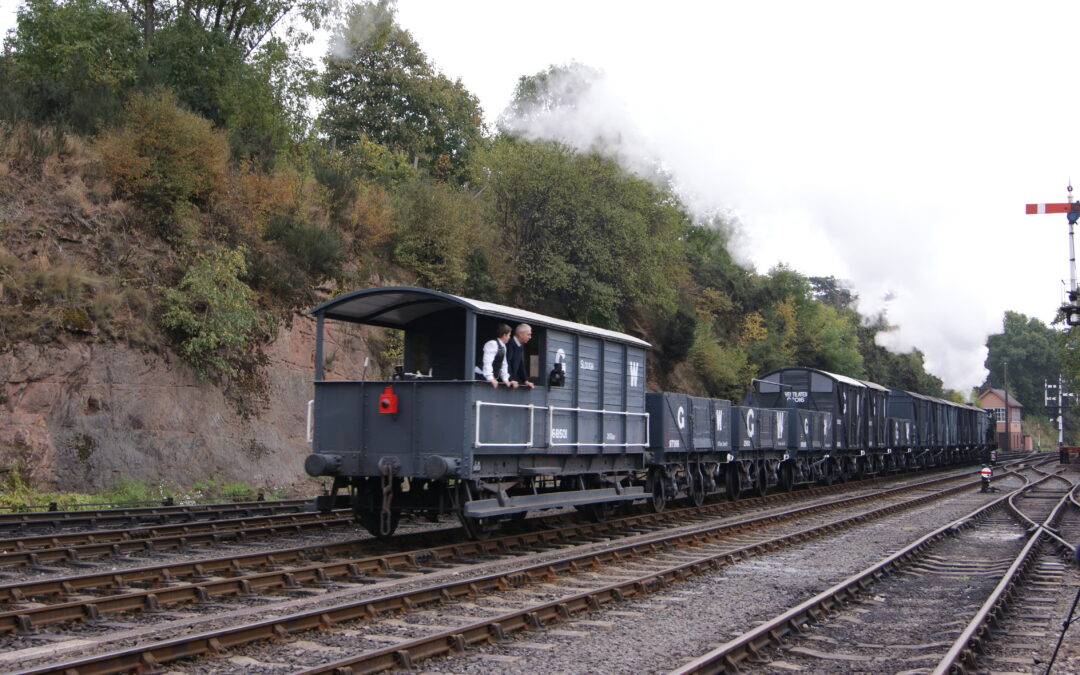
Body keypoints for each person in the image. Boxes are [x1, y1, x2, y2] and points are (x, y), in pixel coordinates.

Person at [475, 324, 513, 388]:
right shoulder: (492, 344)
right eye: (509, 335)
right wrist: (490, 378)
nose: (509, 337)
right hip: (480, 375)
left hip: (488, 377)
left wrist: (505, 379)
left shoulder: (503, 346)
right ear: (504, 335)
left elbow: (504, 364)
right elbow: (487, 362)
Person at [507, 323, 534, 389]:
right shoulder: (509, 343)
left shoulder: (519, 346)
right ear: (520, 334)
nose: (530, 337)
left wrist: (525, 381)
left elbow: (520, 365)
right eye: (528, 334)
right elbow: (506, 362)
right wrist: (510, 379)